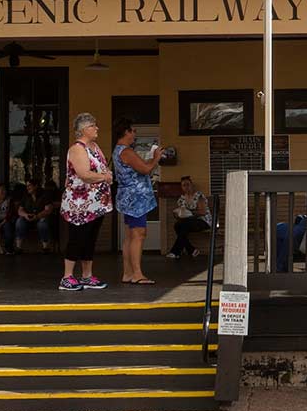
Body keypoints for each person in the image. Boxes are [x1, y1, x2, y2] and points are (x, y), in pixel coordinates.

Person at [59, 113, 114, 291]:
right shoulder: (77, 149)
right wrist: (104, 177)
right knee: (77, 237)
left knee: (90, 238)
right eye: (93, 126)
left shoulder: (95, 146)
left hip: (96, 203)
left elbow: (100, 169)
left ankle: (87, 276)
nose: (97, 128)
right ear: (83, 129)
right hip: (80, 204)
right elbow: (84, 174)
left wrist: (107, 176)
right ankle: (67, 277)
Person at [110, 118, 163, 285]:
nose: (135, 134)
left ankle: (127, 273)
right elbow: (146, 169)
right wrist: (155, 158)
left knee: (130, 236)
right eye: (133, 131)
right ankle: (137, 274)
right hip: (136, 199)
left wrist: (149, 160)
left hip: (127, 197)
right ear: (126, 132)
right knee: (139, 234)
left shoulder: (119, 151)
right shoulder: (126, 151)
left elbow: (140, 167)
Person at [169, 176, 209, 259]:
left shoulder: (199, 196)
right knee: (177, 225)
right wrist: (177, 214)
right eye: (184, 185)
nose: (186, 187)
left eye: (188, 184)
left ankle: (176, 252)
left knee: (183, 226)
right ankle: (191, 250)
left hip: (203, 221)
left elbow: (203, 212)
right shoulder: (181, 199)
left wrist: (190, 213)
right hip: (188, 222)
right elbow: (182, 214)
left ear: (192, 185)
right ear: (182, 187)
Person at [18, 180, 58, 253]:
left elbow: (48, 210)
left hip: (40, 218)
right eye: (26, 186)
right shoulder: (26, 196)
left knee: (42, 223)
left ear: (36, 186)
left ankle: (45, 247)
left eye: (29, 185)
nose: (27, 188)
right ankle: (18, 247)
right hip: (28, 218)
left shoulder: (44, 195)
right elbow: (20, 210)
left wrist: (37, 216)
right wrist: (25, 215)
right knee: (20, 221)